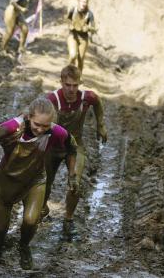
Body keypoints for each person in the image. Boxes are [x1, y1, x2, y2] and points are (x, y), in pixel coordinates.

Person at [0, 98, 77, 276]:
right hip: (7, 180)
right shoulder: (13, 127)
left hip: (35, 180)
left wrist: (72, 175)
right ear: (29, 117)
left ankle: (23, 246)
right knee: (0, 228)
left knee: (31, 220)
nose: (40, 130)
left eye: (45, 126)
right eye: (37, 124)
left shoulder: (56, 132)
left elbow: (72, 146)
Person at [43, 64, 107, 240]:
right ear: (61, 82)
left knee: (75, 184)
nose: (71, 89)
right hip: (53, 147)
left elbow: (98, 103)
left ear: (80, 83)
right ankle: (42, 209)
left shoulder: (88, 98)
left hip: (76, 145)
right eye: (68, 85)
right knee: (45, 183)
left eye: (75, 85)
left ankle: (68, 221)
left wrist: (100, 124)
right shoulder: (52, 99)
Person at [66, 0, 96, 75]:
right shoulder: (73, 10)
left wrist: (89, 28)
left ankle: (78, 77)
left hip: (83, 38)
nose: (83, 3)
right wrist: (70, 25)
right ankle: (68, 74)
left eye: (85, 2)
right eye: (82, 1)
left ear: (87, 3)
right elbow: (67, 19)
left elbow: (93, 28)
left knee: (81, 59)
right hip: (73, 35)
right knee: (73, 55)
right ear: (78, 2)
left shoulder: (90, 14)